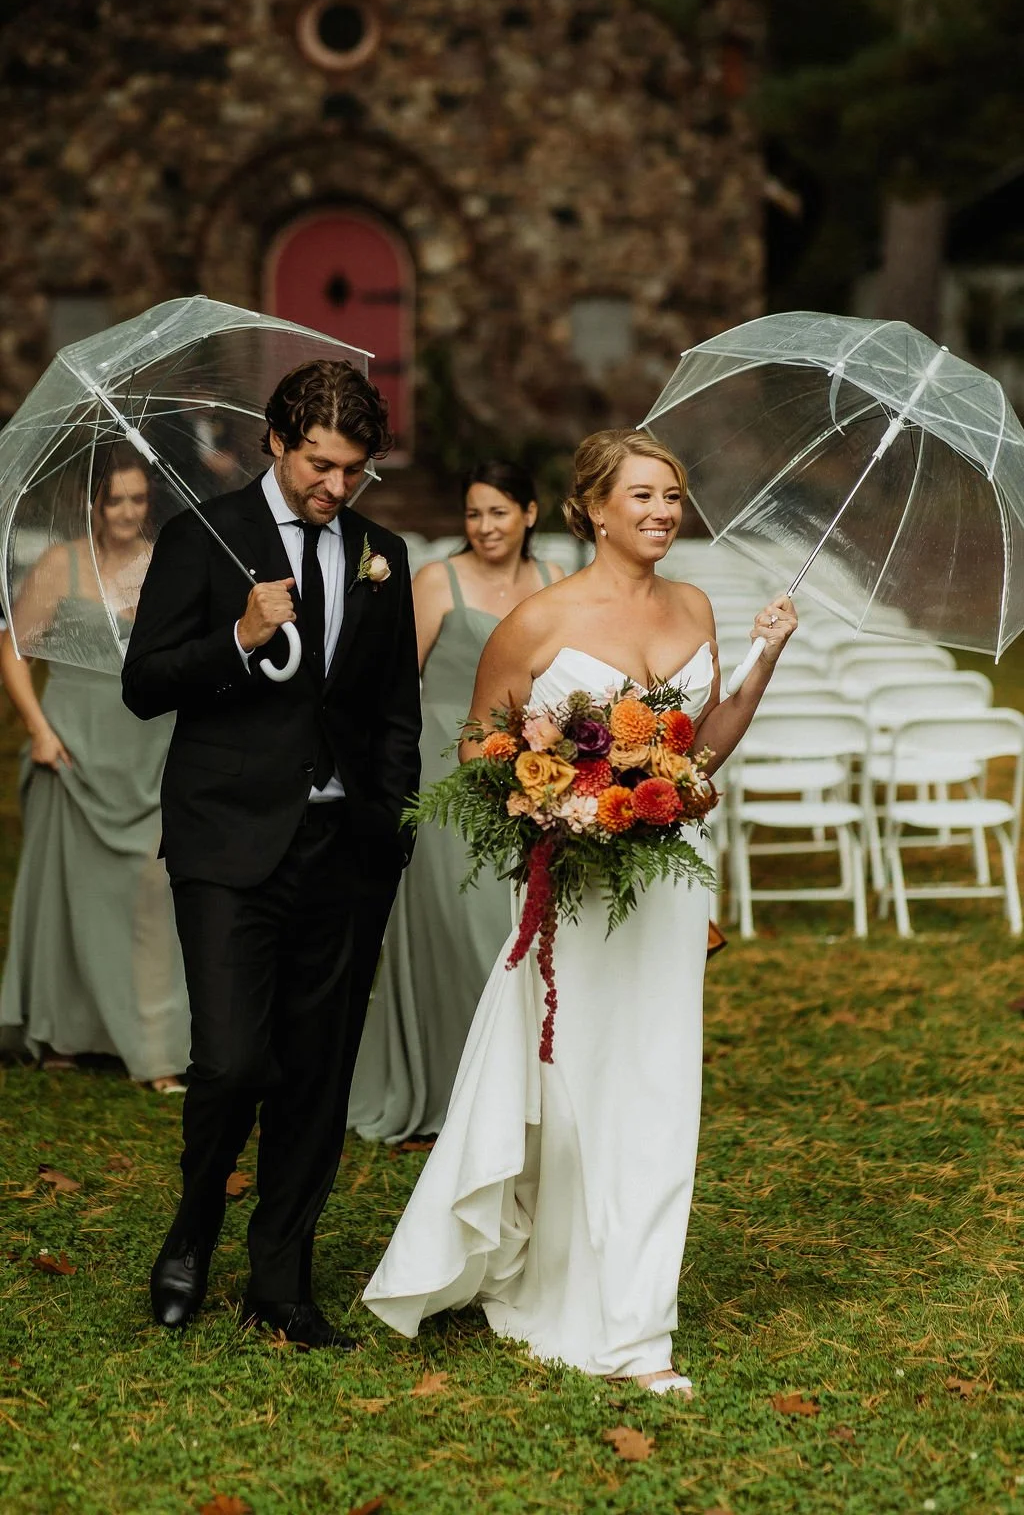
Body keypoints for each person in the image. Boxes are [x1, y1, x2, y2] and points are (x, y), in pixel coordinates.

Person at [363, 428, 797, 1393]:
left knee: (658, 1088)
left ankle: (638, 1325)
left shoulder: (693, 606)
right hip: (575, 885)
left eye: (674, 497)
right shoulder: (540, 619)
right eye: (642, 496)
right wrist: (565, 797)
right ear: (593, 508)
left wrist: (764, 658)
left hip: (668, 884)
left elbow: (701, 750)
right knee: (576, 1090)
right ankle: (553, 1273)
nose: (661, 512)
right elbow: (479, 746)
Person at [122, 359, 420, 1349]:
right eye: (320, 466)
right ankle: (193, 1226)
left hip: (343, 850)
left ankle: (280, 1280)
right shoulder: (201, 537)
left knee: (316, 1072)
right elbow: (145, 684)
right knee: (232, 1061)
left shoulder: (383, 553)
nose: (336, 488)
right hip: (225, 839)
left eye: (354, 471)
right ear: (276, 442)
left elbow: (389, 710)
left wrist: (389, 818)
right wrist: (238, 637)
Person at [348, 461, 565, 1143]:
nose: (485, 526)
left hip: (536, 776)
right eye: (473, 513)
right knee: (459, 929)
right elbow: (389, 685)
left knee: (519, 932)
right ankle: (450, 1095)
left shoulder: (556, 583)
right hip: (448, 773)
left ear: (530, 513)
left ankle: (517, 1099)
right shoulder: (436, 581)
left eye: (499, 512)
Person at [0, 447, 189, 1091]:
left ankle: (155, 1047)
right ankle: (62, 1034)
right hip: (73, 745)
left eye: (139, 499)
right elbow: (14, 650)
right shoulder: (61, 564)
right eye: (116, 500)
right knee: (68, 895)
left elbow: (197, 653)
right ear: (94, 504)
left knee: (153, 897)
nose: (129, 513)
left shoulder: (167, 564)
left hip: (148, 747)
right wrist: (40, 731)